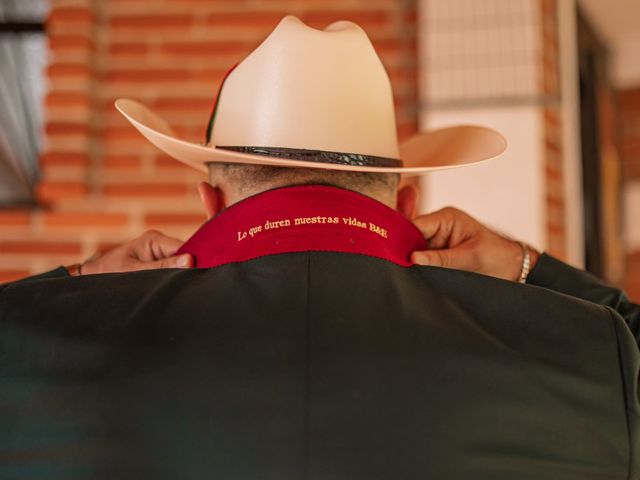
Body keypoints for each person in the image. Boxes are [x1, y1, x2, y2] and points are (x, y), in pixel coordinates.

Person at [1, 16, 638, 480]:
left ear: (211, 203)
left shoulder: (34, 343)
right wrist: (526, 268)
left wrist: (75, 281)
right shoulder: (587, 349)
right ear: (407, 204)